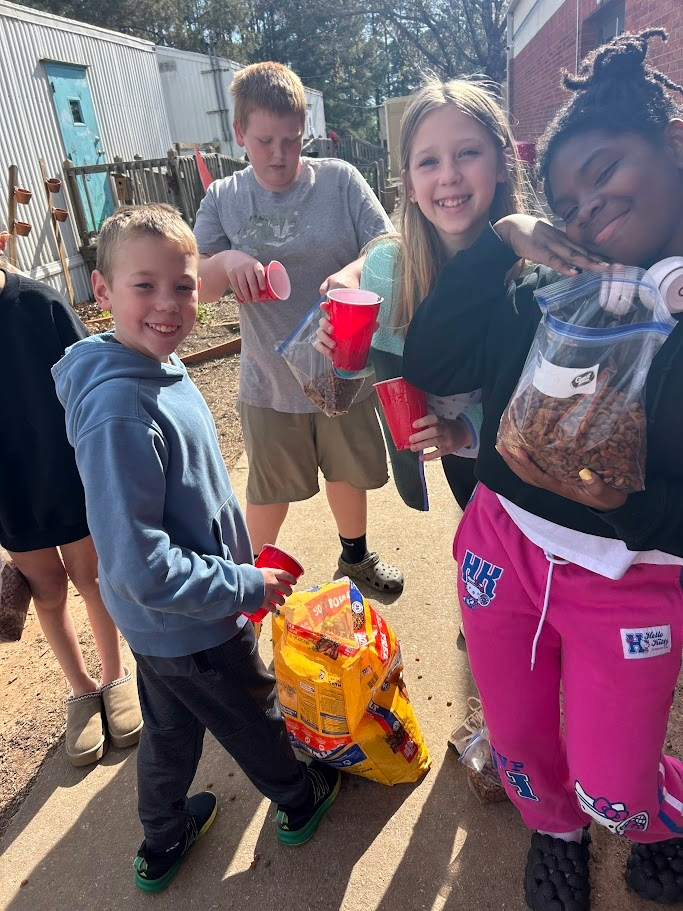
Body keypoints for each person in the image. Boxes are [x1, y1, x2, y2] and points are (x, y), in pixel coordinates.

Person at [403, 28, 683, 911]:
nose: (589, 205)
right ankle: (554, 833)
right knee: (520, 741)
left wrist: (628, 509)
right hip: (503, 549)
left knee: (617, 783)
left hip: (631, 578)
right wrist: (502, 243)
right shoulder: (543, 283)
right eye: (566, 195)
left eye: (606, 171)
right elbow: (434, 362)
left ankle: (652, 815)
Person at [52, 204, 341, 894]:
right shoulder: (121, 410)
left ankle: (162, 836)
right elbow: (139, 562)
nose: (167, 305)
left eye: (182, 286)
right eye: (143, 286)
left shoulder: (149, 363)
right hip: (193, 618)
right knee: (252, 712)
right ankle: (299, 797)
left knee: (172, 727)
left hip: (160, 624)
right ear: (101, 292)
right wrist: (241, 585)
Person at [194, 61, 404, 594]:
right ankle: (242, 585)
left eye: (292, 139)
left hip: (342, 367)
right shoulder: (224, 198)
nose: (280, 155)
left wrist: (355, 272)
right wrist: (227, 263)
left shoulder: (339, 180)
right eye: (265, 140)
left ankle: (354, 558)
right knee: (269, 492)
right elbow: (197, 284)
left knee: (347, 474)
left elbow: (388, 247)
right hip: (269, 380)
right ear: (239, 133)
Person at [316, 77, 530, 511]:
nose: (449, 175)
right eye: (428, 161)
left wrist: (469, 428)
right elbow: (379, 370)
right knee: (478, 539)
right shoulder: (387, 268)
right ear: (409, 184)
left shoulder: (533, 275)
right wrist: (341, 350)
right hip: (452, 453)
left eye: (468, 153)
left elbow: (535, 397)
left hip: (520, 461)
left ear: (503, 164)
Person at [0, 220, 141, 768]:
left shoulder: (39, 304)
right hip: (10, 487)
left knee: (93, 577)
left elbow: (93, 375)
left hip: (68, 471)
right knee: (48, 591)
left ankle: (114, 675)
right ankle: (81, 690)